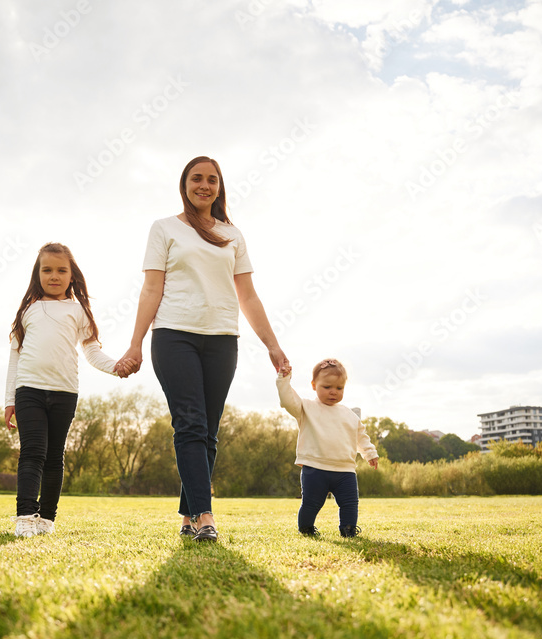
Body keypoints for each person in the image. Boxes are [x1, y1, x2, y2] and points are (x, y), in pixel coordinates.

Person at [118, 156, 289, 542]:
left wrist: (272, 345)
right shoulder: (163, 228)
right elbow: (151, 289)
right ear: (185, 184)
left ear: (220, 187)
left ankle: (186, 516)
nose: (204, 185)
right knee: (191, 423)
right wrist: (135, 343)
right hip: (174, 334)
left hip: (222, 339)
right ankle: (205, 515)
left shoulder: (233, 235)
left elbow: (248, 295)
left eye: (212, 180)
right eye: (197, 178)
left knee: (208, 432)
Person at [4, 242, 134, 538]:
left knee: (53, 456)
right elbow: (15, 356)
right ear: (37, 274)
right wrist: (9, 400)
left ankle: (47, 518)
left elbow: (92, 352)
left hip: (64, 392)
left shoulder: (79, 311)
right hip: (29, 390)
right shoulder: (28, 310)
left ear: (72, 275)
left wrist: (116, 366)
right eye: (47, 270)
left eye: (61, 270)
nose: (54, 276)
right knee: (32, 452)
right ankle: (25, 515)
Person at [276, 358, 379, 538]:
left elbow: (360, 435)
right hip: (314, 468)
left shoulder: (349, 414)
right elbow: (287, 400)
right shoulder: (306, 407)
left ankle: (348, 530)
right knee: (311, 503)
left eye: (339, 388)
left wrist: (369, 452)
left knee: (350, 503)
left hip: (345, 470)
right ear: (314, 385)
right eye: (327, 387)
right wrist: (284, 379)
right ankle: (306, 529)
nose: (333, 392)